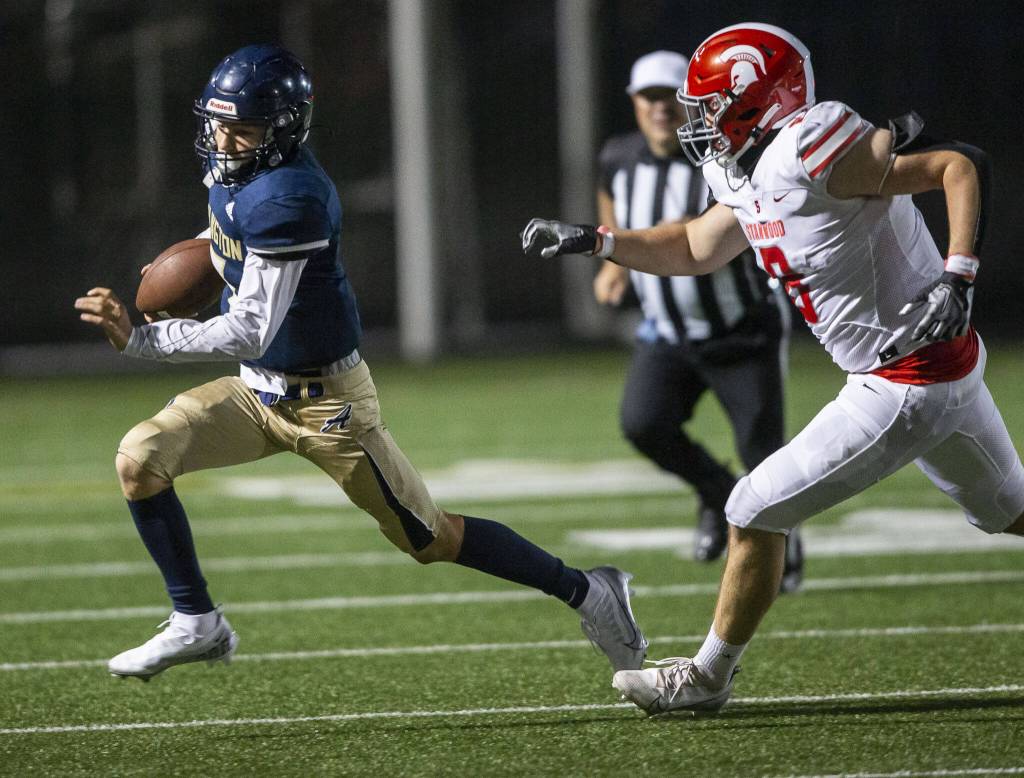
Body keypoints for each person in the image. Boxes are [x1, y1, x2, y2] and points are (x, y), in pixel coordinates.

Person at [74, 44, 647, 682]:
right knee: (141, 457)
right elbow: (222, 239)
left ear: (284, 129)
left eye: (244, 128)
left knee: (430, 539)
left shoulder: (291, 196)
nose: (225, 139)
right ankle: (197, 623)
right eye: (218, 122)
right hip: (255, 394)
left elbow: (250, 329)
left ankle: (589, 591)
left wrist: (141, 340)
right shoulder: (234, 173)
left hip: (328, 404)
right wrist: (186, 267)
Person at [522, 22, 1024, 714]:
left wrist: (958, 275)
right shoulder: (748, 165)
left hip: (905, 379)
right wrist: (596, 240)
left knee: (752, 508)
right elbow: (698, 245)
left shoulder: (809, 149)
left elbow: (958, 166)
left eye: (709, 105)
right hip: (941, 372)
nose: (699, 121)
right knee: (1009, 511)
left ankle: (704, 679)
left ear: (757, 99)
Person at [595, 50, 802, 588]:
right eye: (650, 98)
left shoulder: (728, 155)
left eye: (670, 97)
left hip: (742, 329)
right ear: (636, 104)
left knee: (764, 455)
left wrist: (683, 229)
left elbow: (756, 221)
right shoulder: (619, 156)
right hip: (667, 333)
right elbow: (609, 195)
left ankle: (783, 547)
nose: (660, 108)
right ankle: (716, 495)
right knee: (645, 425)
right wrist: (618, 262)